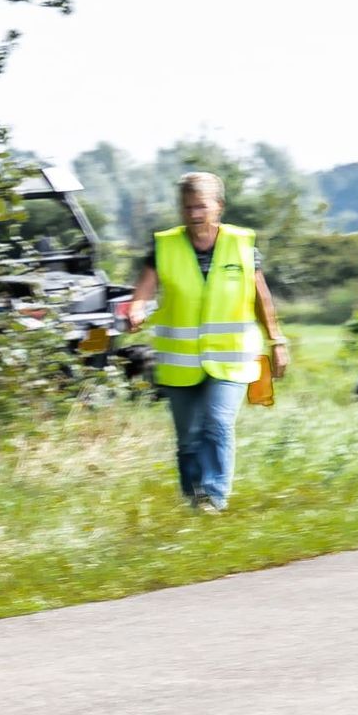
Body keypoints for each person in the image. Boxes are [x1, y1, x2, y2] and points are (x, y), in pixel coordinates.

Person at [120, 171, 289, 512]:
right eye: (187, 207)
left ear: (219, 207)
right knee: (188, 440)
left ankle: (214, 497)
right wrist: (136, 311)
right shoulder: (164, 246)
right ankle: (193, 498)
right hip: (179, 361)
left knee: (217, 422)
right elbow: (144, 291)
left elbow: (261, 296)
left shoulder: (242, 244)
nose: (194, 214)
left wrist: (277, 340)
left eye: (201, 206)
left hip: (231, 357)